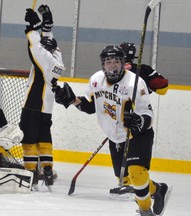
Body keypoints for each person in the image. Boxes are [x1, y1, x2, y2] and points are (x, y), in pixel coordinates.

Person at [55, 45, 171, 215]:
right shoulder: (96, 80)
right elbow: (90, 106)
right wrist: (72, 100)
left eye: (116, 61)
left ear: (123, 63)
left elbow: (148, 114)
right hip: (115, 137)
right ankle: (158, 189)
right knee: (124, 179)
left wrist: (139, 120)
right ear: (103, 64)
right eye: (108, 62)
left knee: (137, 174)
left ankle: (145, 211)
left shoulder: (135, 82)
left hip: (138, 134)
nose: (112, 65)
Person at [109, 42, 169, 198]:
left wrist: (144, 79)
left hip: (136, 120)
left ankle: (131, 184)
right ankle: (128, 183)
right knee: (118, 152)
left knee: (130, 155)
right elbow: (162, 87)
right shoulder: (142, 70)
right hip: (118, 119)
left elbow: (162, 88)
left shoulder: (139, 71)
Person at [20, 5, 65, 191]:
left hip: (32, 106)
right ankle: (47, 167)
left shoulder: (44, 60)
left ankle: (31, 173)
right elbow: (49, 45)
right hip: (46, 110)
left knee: (29, 140)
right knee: (44, 138)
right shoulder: (58, 61)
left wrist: (32, 28)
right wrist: (47, 28)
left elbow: (35, 48)